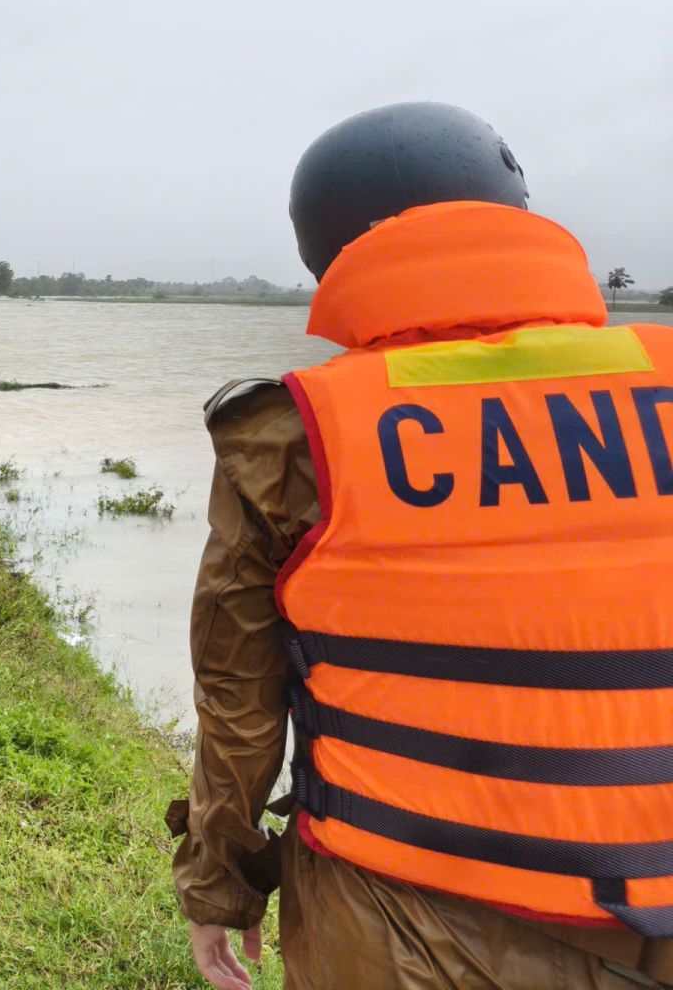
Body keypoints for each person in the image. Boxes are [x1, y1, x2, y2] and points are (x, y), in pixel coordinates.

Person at [174, 102, 673, 990]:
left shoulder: (298, 434)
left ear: (324, 251)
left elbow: (238, 703)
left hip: (399, 917)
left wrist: (219, 891)